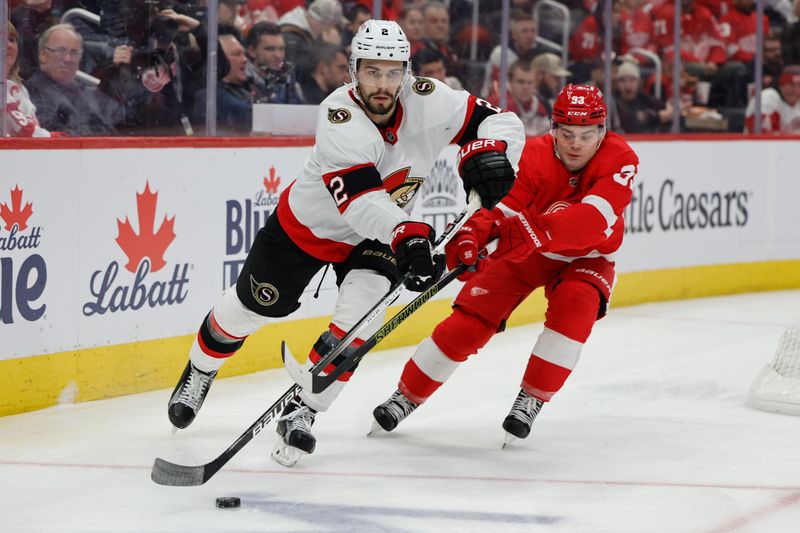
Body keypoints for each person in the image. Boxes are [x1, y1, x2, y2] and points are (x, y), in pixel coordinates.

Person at [166, 20, 525, 467]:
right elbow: (361, 203)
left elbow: (502, 121)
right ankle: (200, 369)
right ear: (352, 71)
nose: (383, 84)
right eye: (371, 71)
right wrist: (408, 234)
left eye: (393, 72)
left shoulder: (430, 99)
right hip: (309, 229)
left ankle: (304, 412)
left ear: (406, 72)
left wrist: (492, 152)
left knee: (361, 320)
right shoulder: (339, 117)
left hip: (378, 237)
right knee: (251, 307)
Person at [372, 84, 640, 448]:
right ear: (553, 129)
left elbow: (593, 219)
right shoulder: (533, 155)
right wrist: (470, 237)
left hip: (585, 257)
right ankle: (406, 396)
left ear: (602, 132)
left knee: (575, 310)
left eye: (586, 135)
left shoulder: (620, 158)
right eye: (568, 134)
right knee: (468, 322)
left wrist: (529, 231)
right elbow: (500, 209)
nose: (576, 144)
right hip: (526, 252)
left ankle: (532, 397)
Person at [26, 24, 123, 136]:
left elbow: (115, 122)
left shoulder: (82, 89)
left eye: (74, 52)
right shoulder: (35, 90)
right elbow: (56, 136)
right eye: (60, 50)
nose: (68, 59)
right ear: (43, 54)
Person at [4, 21, 50, 137]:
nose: (8, 45)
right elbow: (29, 132)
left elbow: (34, 131)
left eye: (11, 39)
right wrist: (52, 138)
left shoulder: (19, 89)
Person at [246, 21, 303, 104]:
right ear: (252, 51)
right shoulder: (242, 82)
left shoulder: (292, 86)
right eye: (270, 49)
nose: (278, 55)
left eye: (281, 49)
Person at [744, 65, 800, 133]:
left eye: (799, 86)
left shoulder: (797, 102)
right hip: (757, 143)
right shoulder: (767, 98)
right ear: (782, 85)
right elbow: (763, 135)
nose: (796, 90)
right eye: (791, 85)